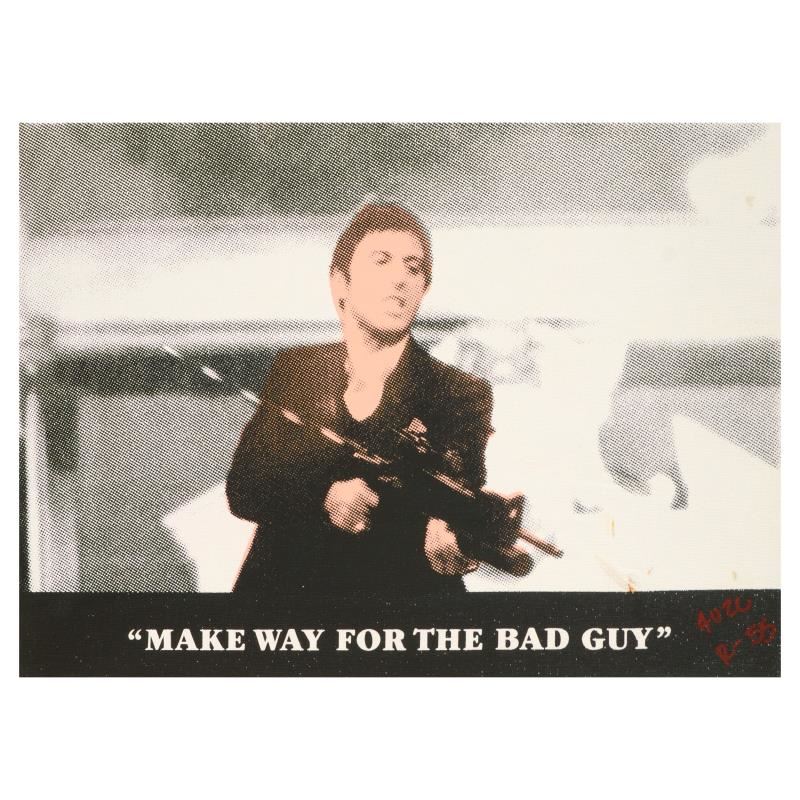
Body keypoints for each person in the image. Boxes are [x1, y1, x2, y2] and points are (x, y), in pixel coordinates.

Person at [226, 202, 494, 595]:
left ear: (424, 289)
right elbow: (245, 487)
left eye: (413, 268)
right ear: (341, 282)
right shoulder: (296, 367)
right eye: (381, 261)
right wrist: (324, 496)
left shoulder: (460, 392)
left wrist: (456, 543)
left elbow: (460, 492)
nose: (400, 278)